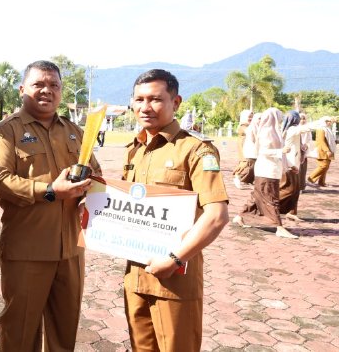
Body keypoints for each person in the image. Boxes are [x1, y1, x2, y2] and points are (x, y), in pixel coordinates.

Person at [0, 60, 100, 351]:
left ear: (61, 91)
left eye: (54, 85)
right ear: (22, 89)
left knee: (65, 330)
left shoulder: (74, 131)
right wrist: (49, 191)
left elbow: (94, 174)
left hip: (71, 249)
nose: (46, 90)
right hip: (27, 249)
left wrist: (89, 192)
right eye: (38, 84)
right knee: (20, 331)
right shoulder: (6, 131)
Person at [121, 69, 229, 352]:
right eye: (139, 99)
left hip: (175, 278)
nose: (145, 107)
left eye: (156, 99)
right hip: (136, 273)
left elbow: (216, 215)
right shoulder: (135, 149)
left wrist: (176, 259)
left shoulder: (196, 151)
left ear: (176, 102)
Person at [233, 108, 299, 238]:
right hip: (266, 170)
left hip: (273, 170)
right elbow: (263, 151)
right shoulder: (266, 132)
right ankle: (279, 227)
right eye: (279, 116)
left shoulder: (276, 132)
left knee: (256, 197)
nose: (281, 119)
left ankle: (239, 216)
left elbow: (282, 153)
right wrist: (281, 151)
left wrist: (290, 166)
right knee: (271, 199)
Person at [308, 116, 337, 187]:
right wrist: (327, 151)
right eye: (328, 121)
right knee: (323, 166)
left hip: (328, 150)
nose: (329, 122)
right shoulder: (321, 129)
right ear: (324, 121)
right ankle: (310, 178)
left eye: (329, 121)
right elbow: (321, 141)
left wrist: (335, 141)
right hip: (323, 150)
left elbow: (328, 140)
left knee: (326, 167)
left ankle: (321, 182)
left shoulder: (327, 129)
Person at [232, 109, 254, 189]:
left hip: (250, 145)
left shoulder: (250, 125)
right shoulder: (243, 125)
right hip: (244, 146)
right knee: (244, 162)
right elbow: (249, 132)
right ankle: (237, 176)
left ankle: (249, 181)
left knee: (252, 163)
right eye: (249, 117)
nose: (251, 118)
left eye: (252, 117)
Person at [298, 112, 312, 191]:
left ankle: (301, 187)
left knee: (302, 170)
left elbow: (309, 140)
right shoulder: (295, 128)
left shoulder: (307, 129)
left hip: (304, 151)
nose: (302, 120)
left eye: (304, 119)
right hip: (296, 151)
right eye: (301, 119)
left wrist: (306, 145)